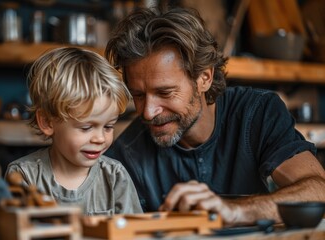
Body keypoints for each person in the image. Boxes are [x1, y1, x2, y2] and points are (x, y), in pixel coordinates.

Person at [104, 7, 325, 226]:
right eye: (139, 95)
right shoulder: (127, 153)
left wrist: (235, 211)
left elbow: (319, 191)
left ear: (204, 78)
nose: (148, 112)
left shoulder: (257, 112)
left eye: (165, 93)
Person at [6, 47, 142, 215]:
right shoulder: (24, 175)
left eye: (108, 127)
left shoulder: (114, 176)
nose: (100, 138)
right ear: (47, 122)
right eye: (86, 128)